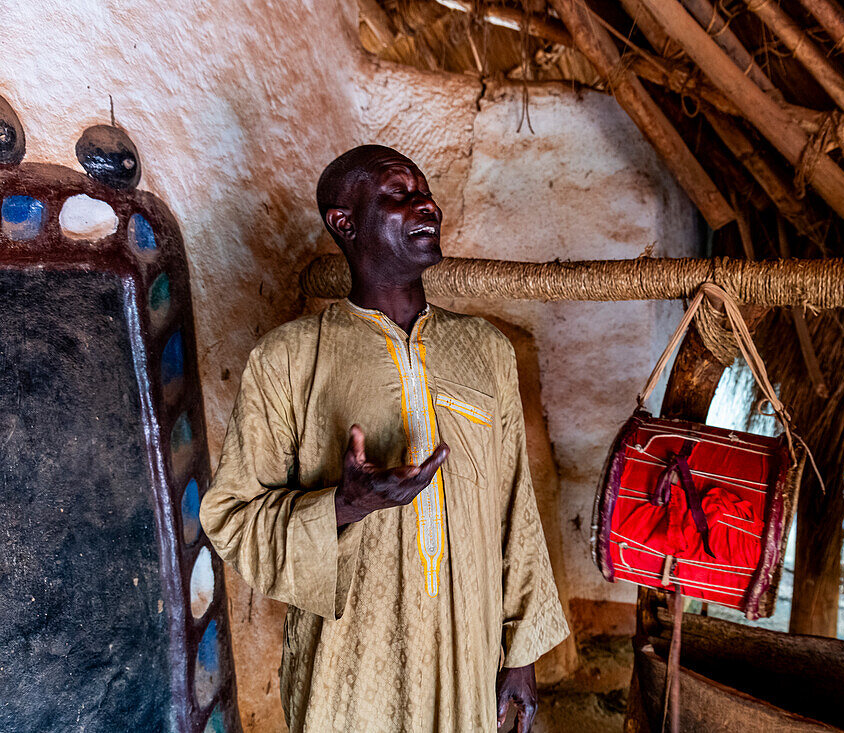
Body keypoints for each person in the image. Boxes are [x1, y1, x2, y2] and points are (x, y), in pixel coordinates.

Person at [200, 145, 570, 733]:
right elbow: (232, 518)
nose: (427, 204)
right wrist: (345, 505)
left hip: (466, 657)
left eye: (424, 191)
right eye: (399, 195)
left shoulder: (486, 349)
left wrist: (519, 655)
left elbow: (514, 507)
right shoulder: (288, 358)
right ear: (343, 223)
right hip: (348, 666)